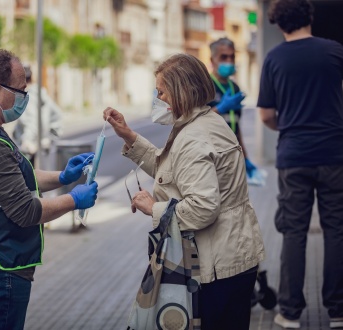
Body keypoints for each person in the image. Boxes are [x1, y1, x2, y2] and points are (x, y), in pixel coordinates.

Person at [104, 53, 265, 330]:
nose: (158, 99)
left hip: (216, 267)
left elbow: (203, 208)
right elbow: (175, 174)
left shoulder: (193, 137)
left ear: (181, 93)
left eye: (162, 92)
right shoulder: (205, 122)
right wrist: (128, 136)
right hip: (233, 256)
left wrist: (152, 208)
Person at [0, 49, 98, 330]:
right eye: (20, 91)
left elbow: (13, 179)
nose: (24, 98)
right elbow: (26, 211)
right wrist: (74, 200)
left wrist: (63, 176)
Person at [257, 0, 343, 328]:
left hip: (293, 156)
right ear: (310, 16)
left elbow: (265, 114)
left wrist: (290, 128)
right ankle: (337, 310)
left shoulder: (274, 58)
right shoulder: (334, 51)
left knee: (294, 231)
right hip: (335, 154)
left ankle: (290, 311)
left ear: (279, 24)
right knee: (336, 229)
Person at [208, 37, 261, 183]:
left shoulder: (234, 88)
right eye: (224, 57)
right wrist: (220, 108)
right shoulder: (204, 86)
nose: (229, 61)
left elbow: (236, 128)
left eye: (232, 57)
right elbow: (194, 122)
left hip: (231, 157)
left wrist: (246, 157)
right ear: (212, 60)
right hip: (210, 156)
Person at [12, 65, 63, 165]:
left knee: (32, 177)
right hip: (42, 148)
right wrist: (49, 138)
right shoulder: (41, 94)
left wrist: (28, 141)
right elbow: (57, 114)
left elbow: (32, 121)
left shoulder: (27, 97)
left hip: (30, 151)